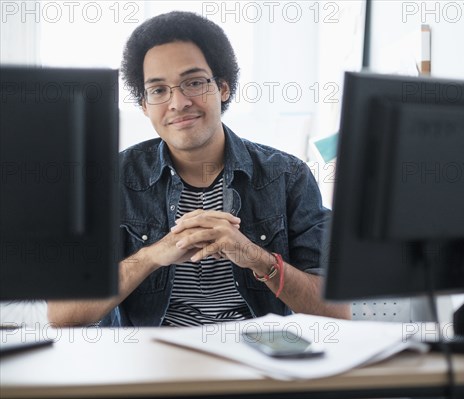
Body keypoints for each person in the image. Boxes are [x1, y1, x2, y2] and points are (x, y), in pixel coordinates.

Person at [47, 11, 349, 327]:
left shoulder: (288, 176)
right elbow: (63, 316)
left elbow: (337, 314)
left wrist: (254, 257)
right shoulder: (110, 180)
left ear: (223, 88)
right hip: (147, 364)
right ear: (144, 105)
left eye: (193, 82)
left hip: (257, 362)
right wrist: (151, 256)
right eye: (159, 90)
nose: (178, 102)